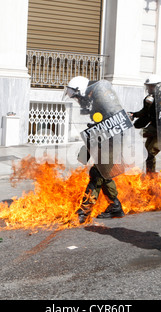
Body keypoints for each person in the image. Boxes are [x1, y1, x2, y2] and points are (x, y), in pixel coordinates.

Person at [65, 76, 125, 224]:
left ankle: (84, 213)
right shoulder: (95, 99)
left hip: (113, 140)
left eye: (78, 97)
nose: (78, 101)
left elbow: (111, 118)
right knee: (104, 173)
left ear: (83, 91)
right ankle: (115, 206)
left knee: (97, 173)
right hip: (105, 138)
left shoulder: (101, 98)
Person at [129, 75, 161, 174]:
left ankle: (152, 178)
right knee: (147, 153)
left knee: (151, 153)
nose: (149, 88)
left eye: (151, 86)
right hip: (153, 128)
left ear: (158, 86)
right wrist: (134, 114)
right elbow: (145, 112)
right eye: (148, 86)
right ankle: (149, 175)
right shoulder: (149, 99)